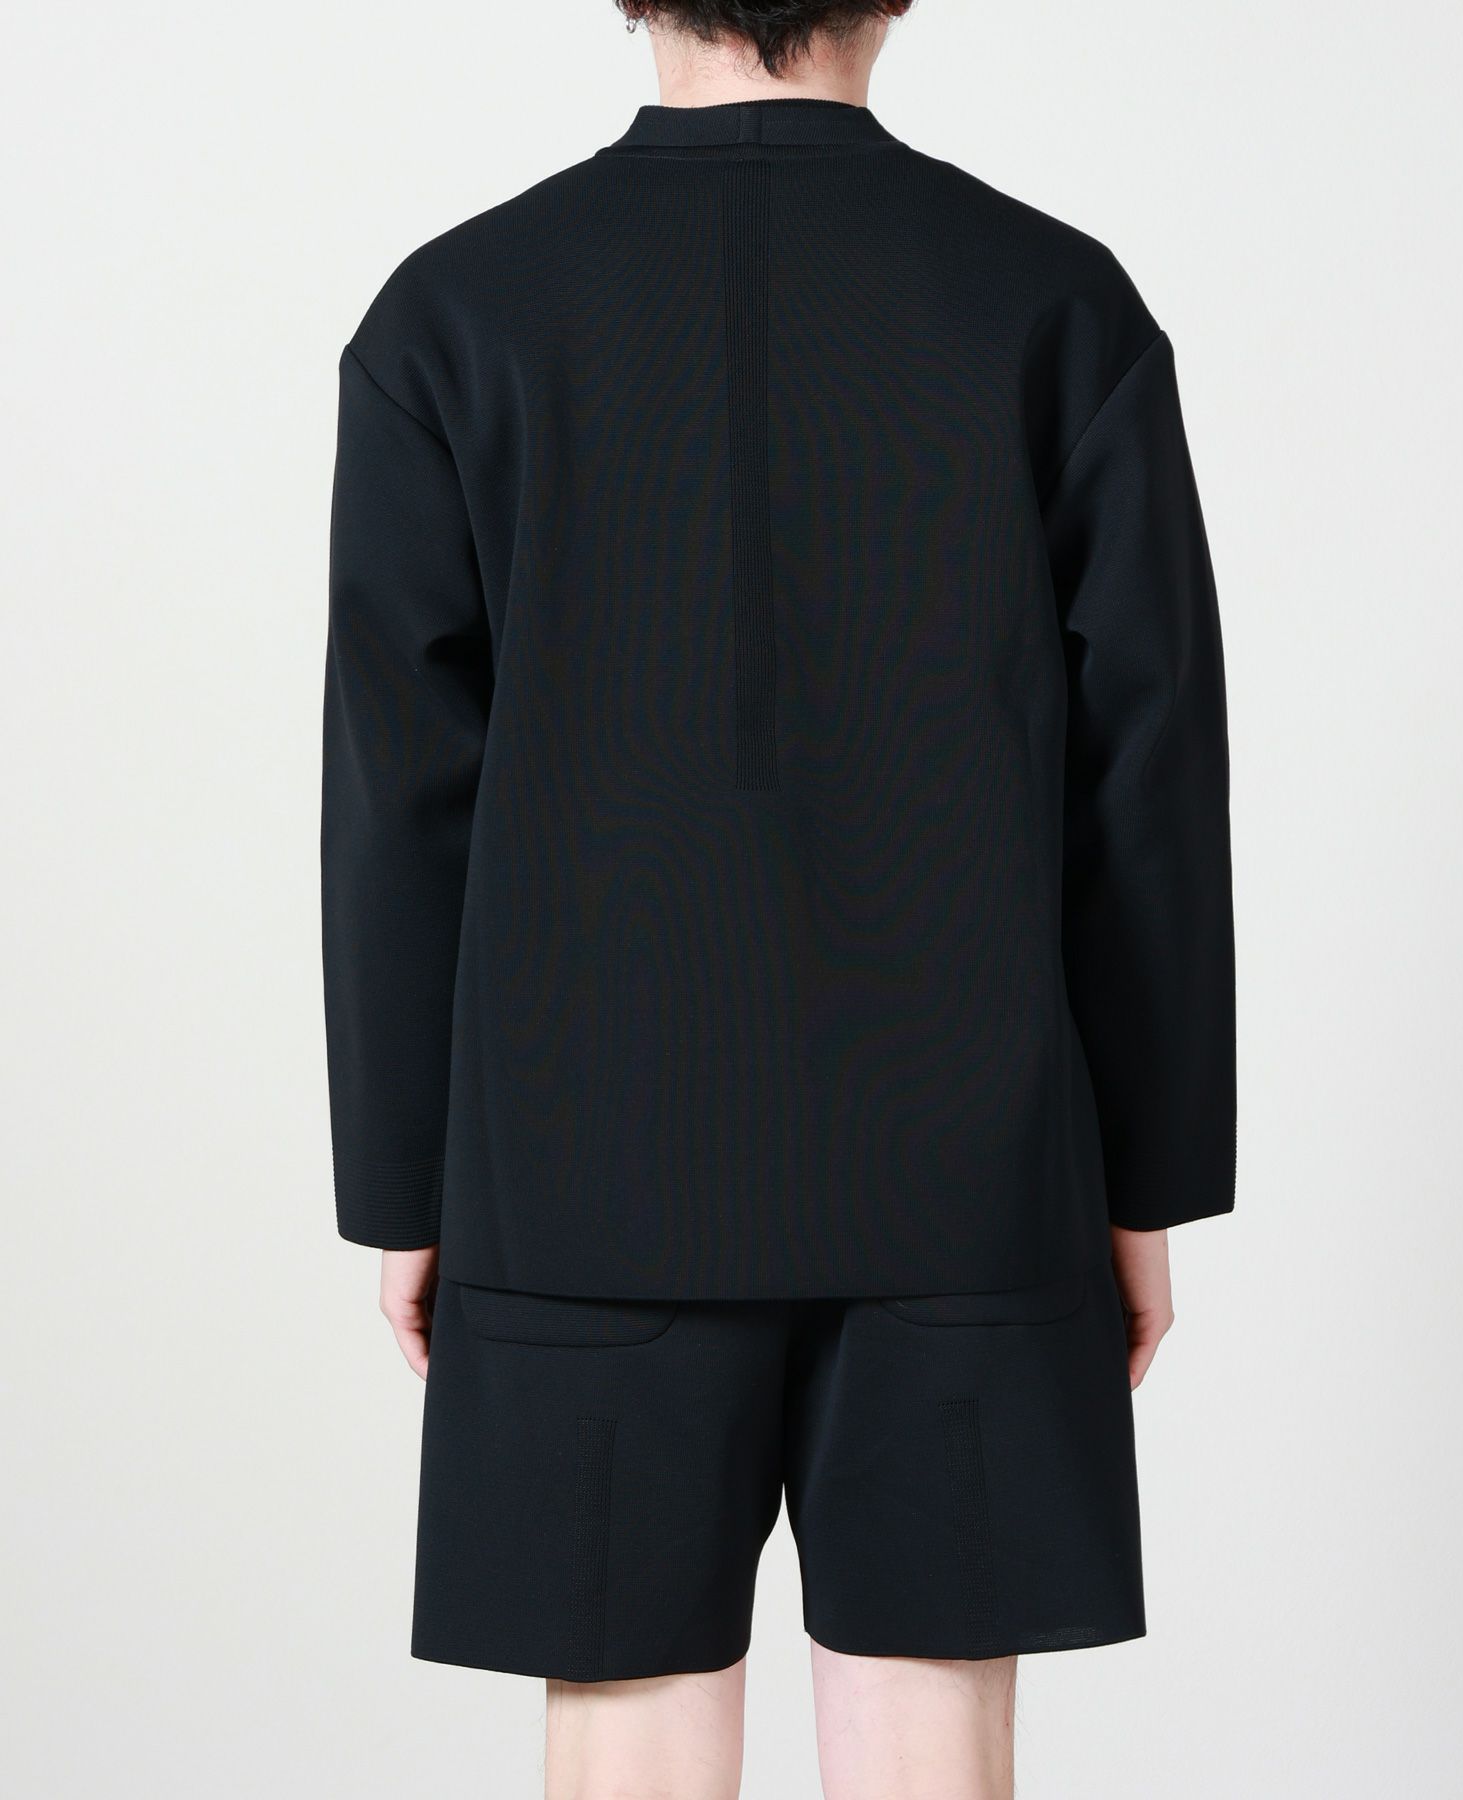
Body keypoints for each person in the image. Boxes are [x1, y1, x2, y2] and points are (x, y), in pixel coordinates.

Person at [321, 1, 1235, 1793]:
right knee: (929, 1728)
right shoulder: (1052, 302)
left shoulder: (454, 312)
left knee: (632, 1725)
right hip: (971, 1177)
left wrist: (407, 1184)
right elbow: (1148, 783)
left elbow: (400, 793)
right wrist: (1145, 1183)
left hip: (583, 1169)